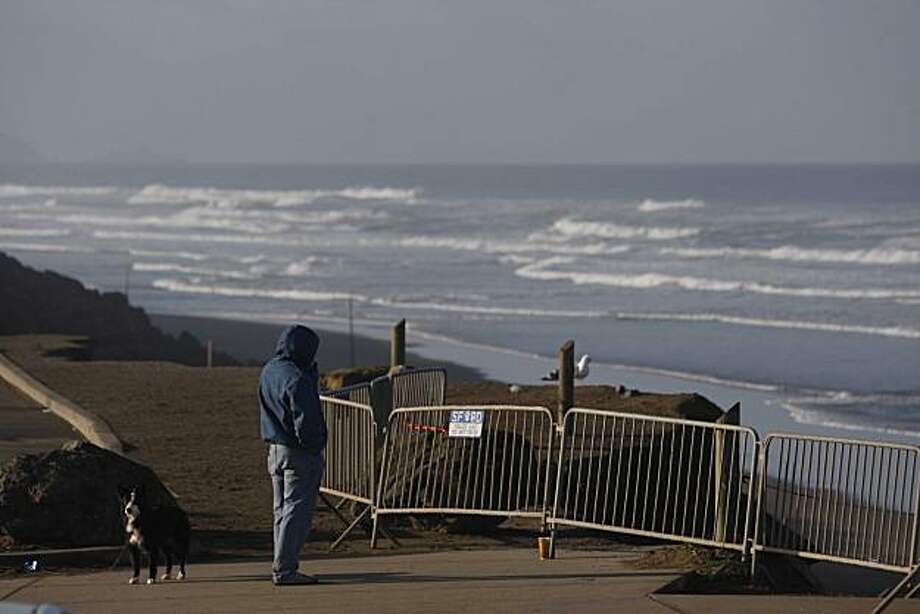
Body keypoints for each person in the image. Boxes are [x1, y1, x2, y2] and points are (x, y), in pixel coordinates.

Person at [259, 324, 327, 586]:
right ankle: (285, 569)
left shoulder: (269, 370)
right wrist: (315, 446)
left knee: (281, 510)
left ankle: (281, 564)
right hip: (298, 451)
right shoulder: (297, 378)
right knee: (297, 511)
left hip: (274, 448)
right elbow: (305, 420)